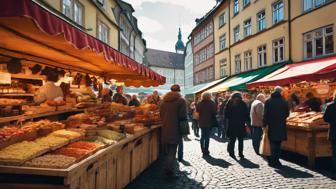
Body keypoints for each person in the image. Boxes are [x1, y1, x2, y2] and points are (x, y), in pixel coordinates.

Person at [160, 84, 187, 177]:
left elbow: (161, 115)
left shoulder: (164, 101)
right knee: (172, 149)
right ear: (179, 91)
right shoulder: (181, 101)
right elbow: (183, 116)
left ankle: (168, 166)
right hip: (175, 128)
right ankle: (168, 169)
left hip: (165, 128)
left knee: (167, 149)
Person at [264, 86, 289, 167]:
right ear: (280, 92)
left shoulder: (268, 101)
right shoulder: (284, 102)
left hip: (271, 125)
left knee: (272, 143)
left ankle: (272, 160)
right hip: (281, 125)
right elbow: (287, 114)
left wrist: (264, 125)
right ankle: (277, 160)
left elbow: (265, 115)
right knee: (278, 144)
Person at [225, 92, 250, 159]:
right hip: (241, 124)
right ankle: (241, 153)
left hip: (232, 124)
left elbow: (226, 114)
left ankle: (231, 153)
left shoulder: (229, 103)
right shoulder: (243, 103)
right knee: (240, 140)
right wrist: (246, 122)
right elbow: (246, 114)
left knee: (232, 139)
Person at [196, 92, 217, 157]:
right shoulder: (212, 103)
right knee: (207, 137)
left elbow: (197, 112)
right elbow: (214, 112)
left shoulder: (199, 103)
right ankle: (206, 150)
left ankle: (202, 149)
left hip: (201, 122)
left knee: (202, 136)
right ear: (209, 96)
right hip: (209, 122)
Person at [323, 91, 336, 179]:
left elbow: (325, 118)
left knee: (335, 152)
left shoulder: (330, 106)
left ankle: (334, 171)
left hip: (334, 133)